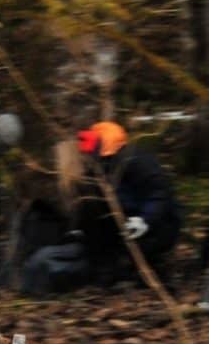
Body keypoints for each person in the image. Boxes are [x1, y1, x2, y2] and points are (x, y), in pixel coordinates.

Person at [74, 121, 181, 286]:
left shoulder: (138, 161)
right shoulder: (99, 169)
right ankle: (113, 270)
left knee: (143, 249)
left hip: (156, 225)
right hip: (124, 223)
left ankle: (151, 267)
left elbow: (159, 193)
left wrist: (146, 220)